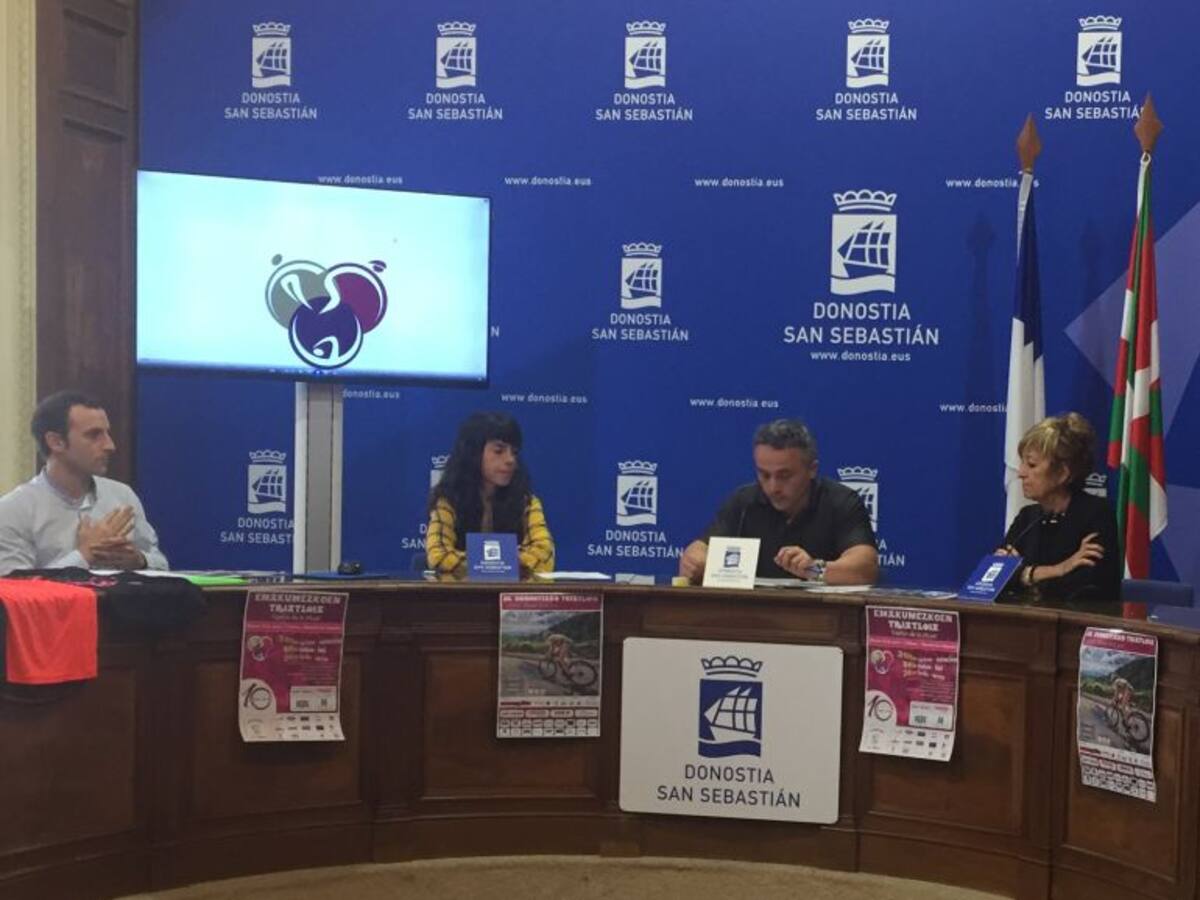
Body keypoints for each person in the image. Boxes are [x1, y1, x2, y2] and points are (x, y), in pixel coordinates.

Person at [679, 418, 879, 585]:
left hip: (819, 615)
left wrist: (813, 569)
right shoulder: (744, 502)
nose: (773, 487)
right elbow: (699, 549)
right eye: (764, 475)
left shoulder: (840, 502)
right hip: (751, 613)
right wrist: (696, 561)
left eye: (784, 476)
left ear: (812, 469)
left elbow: (866, 568)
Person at [0, 391, 169, 575]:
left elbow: (162, 564)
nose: (110, 445)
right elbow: (14, 588)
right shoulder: (13, 510)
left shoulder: (122, 495)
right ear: (56, 442)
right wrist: (84, 555)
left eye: (107, 433)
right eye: (94, 435)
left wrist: (139, 560)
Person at [999, 412, 1120, 605]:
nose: (1021, 473)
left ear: (1063, 473)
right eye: (1022, 463)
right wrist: (1060, 569)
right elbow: (995, 577)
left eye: (1031, 465)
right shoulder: (1027, 517)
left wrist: (1022, 574)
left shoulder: (1097, 514)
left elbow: (1085, 587)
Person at [425, 411, 554, 577]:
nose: (510, 460)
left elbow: (544, 555)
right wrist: (507, 563)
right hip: (462, 592)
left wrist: (484, 564)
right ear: (474, 453)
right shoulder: (448, 500)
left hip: (513, 592)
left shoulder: (527, 502)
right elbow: (438, 555)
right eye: (499, 451)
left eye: (514, 452)